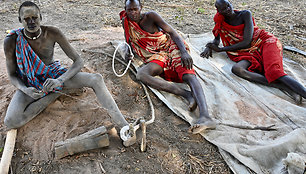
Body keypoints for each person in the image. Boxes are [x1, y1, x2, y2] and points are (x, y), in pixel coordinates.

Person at [3, 1, 135, 146]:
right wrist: (25, 89)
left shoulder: (53, 33)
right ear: (19, 20)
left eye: (34, 17)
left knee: (96, 79)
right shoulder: (12, 40)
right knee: (11, 121)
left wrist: (59, 81)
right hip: (29, 82)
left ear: (40, 16)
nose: (31, 22)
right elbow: (12, 75)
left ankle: (124, 127)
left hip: (54, 76)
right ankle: (56, 94)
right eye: (26, 19)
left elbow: (78, 61)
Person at [120, 0, 216, 134]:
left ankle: (205, 116)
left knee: (187, 74)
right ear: (125, 9)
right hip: (155, 54)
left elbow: (172, 32)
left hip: (169, 46)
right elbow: (129, 41)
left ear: (141, 7)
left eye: (135, 9)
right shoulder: (126, 22)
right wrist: (128, 53)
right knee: (141, 74)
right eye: (129, 10)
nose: (133, 13)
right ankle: (186, 94)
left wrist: (183, 52)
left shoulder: (151, 16)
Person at [201, 0, 306, 103]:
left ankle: (301, 92)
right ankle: (282, 86)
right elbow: (216, 39)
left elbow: (247, 41)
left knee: (274, 71)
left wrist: (222, 49)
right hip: (245, 51)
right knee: (237, 69)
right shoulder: (219, 20)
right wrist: (209, 47)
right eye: (223, 9)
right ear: (218, 11)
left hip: (263, 42)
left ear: (231, 3)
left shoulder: (245, 14)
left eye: (228, 5)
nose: (228, 9)